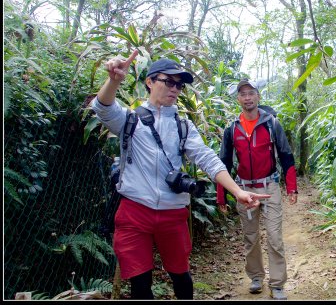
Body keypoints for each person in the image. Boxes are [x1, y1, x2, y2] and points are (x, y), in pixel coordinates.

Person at [90, 51, 270, 300]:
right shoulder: (130, 120)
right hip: (134, 211)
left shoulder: (183, 125)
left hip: (172, 212)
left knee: (180, 275)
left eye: (179, 85)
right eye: (169, 82)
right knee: (140, 285)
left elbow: (206, 158)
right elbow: (103, 108)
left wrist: (237, 191)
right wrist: (114, 80)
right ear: (150, 81)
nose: (175, 89)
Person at [216, 78, 298, 300]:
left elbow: (286, 155)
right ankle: (255, 277)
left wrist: (292, 187)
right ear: (238, 99)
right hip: (244, 189)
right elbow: (223, 162)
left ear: (258, 96)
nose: (247, 97)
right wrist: (221, 195)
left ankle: (278, 284)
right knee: (250, 237)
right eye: (243, 94)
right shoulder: (232, 129)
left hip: (269, 185)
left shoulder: (272, 123)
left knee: (274, 237)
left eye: (251, 93)